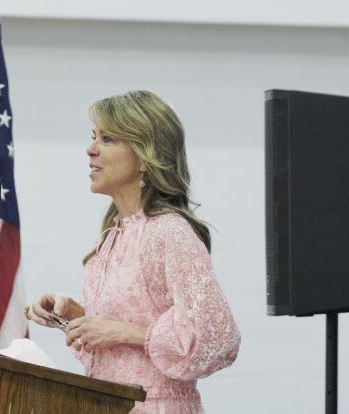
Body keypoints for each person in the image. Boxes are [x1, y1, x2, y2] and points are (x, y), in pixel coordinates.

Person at [24, 90, 241, 413]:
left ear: (144, 157)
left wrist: (122, 331)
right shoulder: (111, 237)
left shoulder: (170, 232)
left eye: (107, 139)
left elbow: (218, 338)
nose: (90, 150)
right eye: (94, 137)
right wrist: (76, 317)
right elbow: (118, 349)